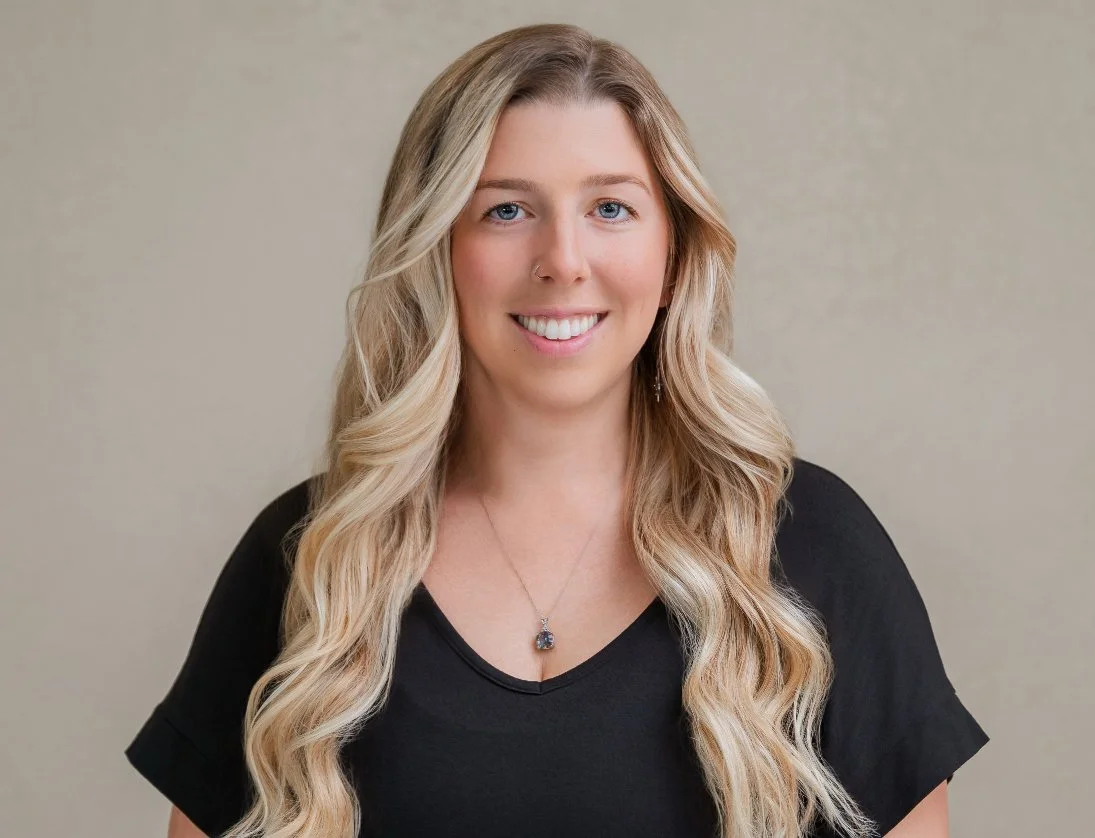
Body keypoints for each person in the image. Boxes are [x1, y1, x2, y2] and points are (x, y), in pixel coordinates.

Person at [124, 22, 989, 838]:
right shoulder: (310, 557)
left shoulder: (814, 546)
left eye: (610, 208)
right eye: (506, 210)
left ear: (672, 252)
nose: (563, 259)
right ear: (435, 251)